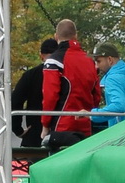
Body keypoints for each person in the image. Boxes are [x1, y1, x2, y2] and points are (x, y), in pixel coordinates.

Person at [42, 19, 99, 150]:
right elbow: (96, 95)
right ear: (76, 35)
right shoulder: (90, 61)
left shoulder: (54, 60)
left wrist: (45, 124)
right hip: (85, 126)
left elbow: (50, 96)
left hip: (62, 125)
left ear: (56, 37)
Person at [12, 38, 61, 149]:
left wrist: (17, 129)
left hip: (35, 133)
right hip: (61, 131)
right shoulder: (64, 73)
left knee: (33, 163)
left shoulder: (30, 75)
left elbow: (15, 101)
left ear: (41, 55)